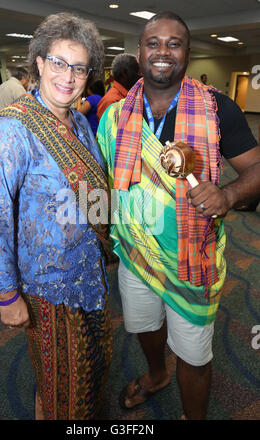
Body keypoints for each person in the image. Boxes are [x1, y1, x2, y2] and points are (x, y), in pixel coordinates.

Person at [97, 11, 260, 420]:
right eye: (154, 43)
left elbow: (257, 168)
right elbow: (102, 180)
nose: (163, 52)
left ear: (187, 53)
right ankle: (156, 375)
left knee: (193, 352)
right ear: (139, 52)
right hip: (135, 253)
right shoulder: (115, 114)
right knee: (145, 328)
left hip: (192, 257)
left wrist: (229, 194)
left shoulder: (217, 107)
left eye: (174, 44)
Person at [0, 12, 113, 420]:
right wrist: (6, 294)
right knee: (63, 389)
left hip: (91, 276)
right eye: (58, 63)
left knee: (87, 375)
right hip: (47, 288)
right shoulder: (11, 130)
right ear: (38, 62)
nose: (67, 77)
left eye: (79, 67)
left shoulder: (79, 123)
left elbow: (92, 190)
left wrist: (109, 238)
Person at [97, 53, 140, 120]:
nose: (140, 77)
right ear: (124, 74)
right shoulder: (111, 101)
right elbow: (109, 129)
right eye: (137, 72)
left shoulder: (130, 96)